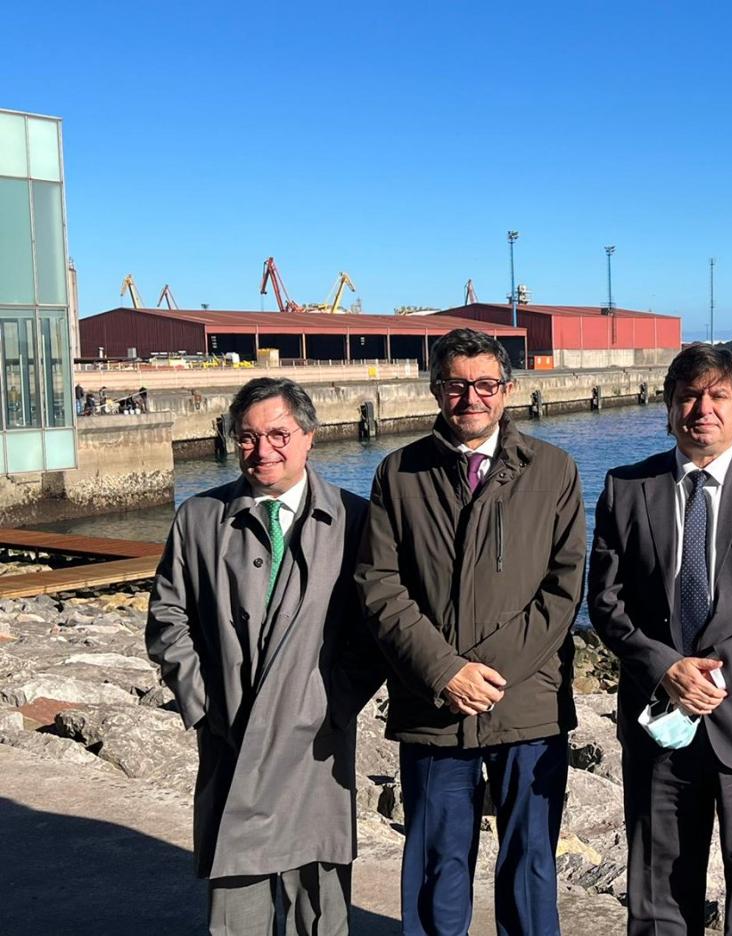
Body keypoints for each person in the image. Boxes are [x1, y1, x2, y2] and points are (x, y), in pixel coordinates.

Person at [589, 344, 732, 935]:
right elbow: (605, 602)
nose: (703, 408)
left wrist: (714, 677)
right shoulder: (626, 487)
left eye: (718, 395)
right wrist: (669, 668)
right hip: (659, 717)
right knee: (658, 888)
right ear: (669, 410)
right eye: (689, 396)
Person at [356, 328, 586, 936]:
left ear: (508, 391)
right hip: (433, 705)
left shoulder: (554, 470)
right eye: (456, 385)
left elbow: (563, 590)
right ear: (436, 390)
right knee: (436, 862)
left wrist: (486, 672)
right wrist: (444, 672)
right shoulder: (398, 474)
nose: (471, 398)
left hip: (527, 703)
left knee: (531, 861)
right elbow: (379, 585)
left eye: (485, 384)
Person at [147, 377, 383, 936]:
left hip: (317, 742)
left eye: (279, 434)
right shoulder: (199, 518)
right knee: (237, 905)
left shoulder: (356, 520)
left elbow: (376, 628)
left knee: (320, 903)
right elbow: (167, 616)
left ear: (308, 437)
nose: (263, 450)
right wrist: (203, 705)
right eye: (247, 437)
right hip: (231, 733)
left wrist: (335, 701)